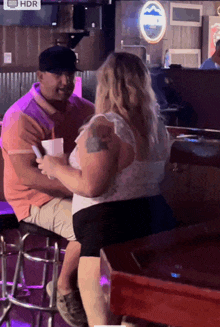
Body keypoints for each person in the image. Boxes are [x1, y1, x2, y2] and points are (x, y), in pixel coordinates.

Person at [37, 52, 176, 326]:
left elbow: (91, 187)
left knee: (103, 323)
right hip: (154, 228)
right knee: (137, 319)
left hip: (107, 236)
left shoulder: (103, 128)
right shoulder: (156, 128)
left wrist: (56, 168)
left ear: (106, 84)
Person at [1, 46, 94, 327]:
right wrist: (79, 188)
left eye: (70, 73)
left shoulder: (84, 109)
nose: (66, 81)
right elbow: (27, 176)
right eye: (57, 74)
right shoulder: (22, 117)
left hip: (74, 190)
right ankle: (63, 286)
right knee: (89, 225)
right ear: (40, 75)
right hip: (32, 199)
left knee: (113, 219)